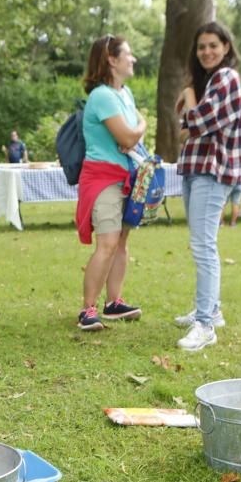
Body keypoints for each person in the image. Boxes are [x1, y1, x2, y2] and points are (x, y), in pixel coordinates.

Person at [174, 21, 241, 351]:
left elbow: (198, 121)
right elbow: (186, 127)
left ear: (226, 47)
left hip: (212, 172)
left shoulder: (226, 77)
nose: (206, 52)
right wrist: (192, 113)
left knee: (203, 246)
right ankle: (211, 312)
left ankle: (205, 324)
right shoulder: (211, 82)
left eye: (213, 45)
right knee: (202, 243)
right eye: (201, 46)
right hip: (196, 168)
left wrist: (189, 98)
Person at [74, 34, 145, 331]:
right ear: (112, 60)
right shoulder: (102, 95)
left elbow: (130, 137)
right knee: (107, 243)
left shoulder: (124, 94)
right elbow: (128, 136)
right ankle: (87, 309)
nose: (133, 59)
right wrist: (144, 125)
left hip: (124, 176)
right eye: (128, 54)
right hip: (103, 177)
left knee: (121, 242)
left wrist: (135, 130)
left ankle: (114, 303)